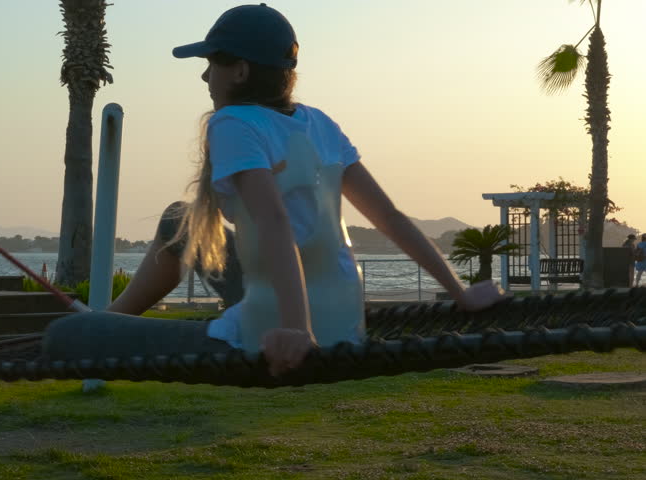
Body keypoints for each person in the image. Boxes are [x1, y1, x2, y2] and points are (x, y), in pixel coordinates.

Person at [43, 3, 505, 376]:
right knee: (179, 221)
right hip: (345, 323)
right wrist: (459, 293)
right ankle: (111, 318)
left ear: (239, 71)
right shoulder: (319, 123)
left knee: (64, 338)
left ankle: (104, 321)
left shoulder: (232, 123)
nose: (206, 77)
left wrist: (296, 330)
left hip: (272, 329)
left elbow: (273, 220)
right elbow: (391, 219)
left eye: (212, 64)